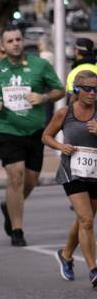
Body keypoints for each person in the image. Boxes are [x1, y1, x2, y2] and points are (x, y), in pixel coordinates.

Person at [0, 26, 64, 246]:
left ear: (23, 41)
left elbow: (59, 90)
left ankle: (9, 207)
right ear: (2, 46)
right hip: (7, 130)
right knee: (16, 176)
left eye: (18, 39)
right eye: (10, 40)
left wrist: (43, 97)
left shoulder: (40, 65)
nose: (15, 43)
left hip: (34, 131)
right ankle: (17, 230)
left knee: (31, 180)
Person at [42, 70, 97, 287]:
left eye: (96, 89)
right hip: (72, 172)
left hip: (94, 172)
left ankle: (66, 254)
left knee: (85, 220)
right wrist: (60, 146)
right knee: (86, 220)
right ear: (76, 90)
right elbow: (45, 136)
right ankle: (93, 270)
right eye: (88, 89)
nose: (92, 93)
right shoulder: (65, 113)